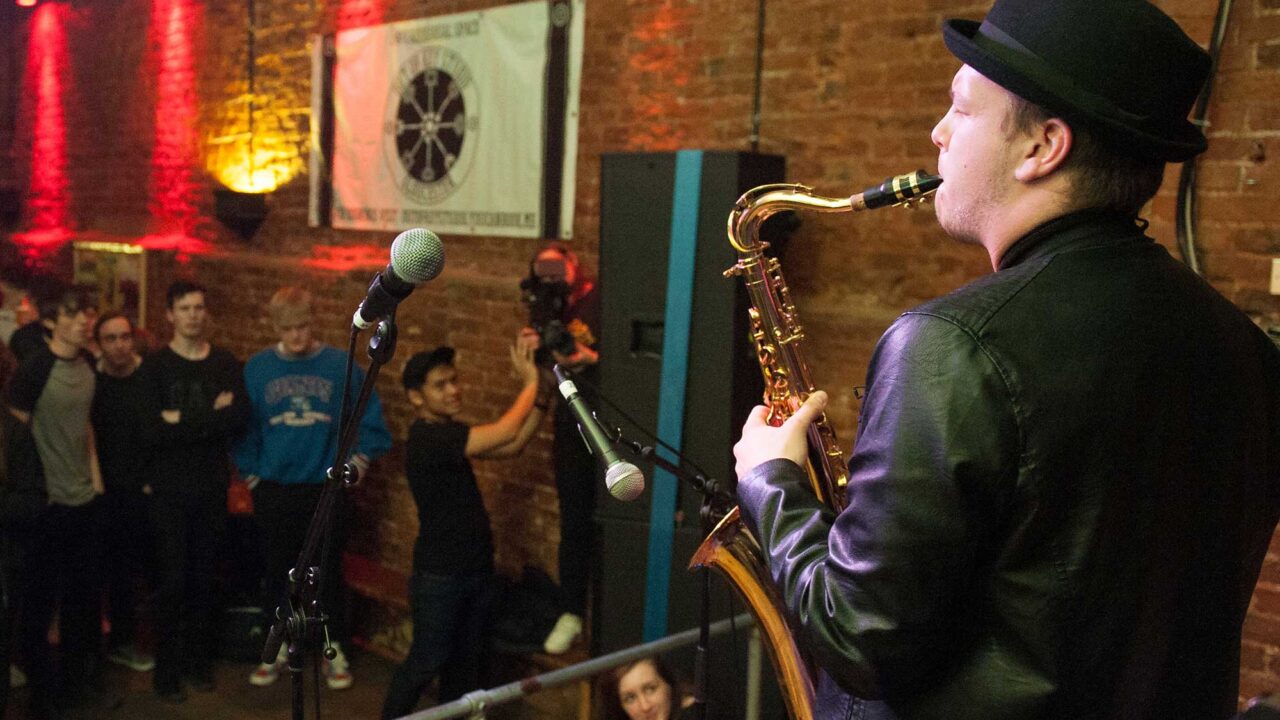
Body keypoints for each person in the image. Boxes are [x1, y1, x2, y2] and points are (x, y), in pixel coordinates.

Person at [731, 1, 1280, 718]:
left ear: (1042, 147)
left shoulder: (953, 344)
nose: (938, 133)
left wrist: (771, 479)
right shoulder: (1248, 348)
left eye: (961, 109)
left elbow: (859, 637)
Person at [381, 339, 549, 719]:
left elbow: (513, 446)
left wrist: (541, 401)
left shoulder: (451, 435)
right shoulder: (428, 438)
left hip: (475, 568)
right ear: (416, 397)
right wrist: (530, 382)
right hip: (440, 577)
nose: (454, 390)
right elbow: (506, 430)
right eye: (441, 385)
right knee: (426, 663)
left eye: (454, 381)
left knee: (467, 665)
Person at [236, 286, 391, 690]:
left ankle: (331, 646)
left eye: (303, 326)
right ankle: (278, 646)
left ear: (313, 322)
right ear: (276, 328)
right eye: (288, 329)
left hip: (324, 489)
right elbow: (243, 428)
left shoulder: (341, 366)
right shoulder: (258, 368)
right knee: (276, 572)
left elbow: (368, 418)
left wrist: (357, 462)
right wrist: (252, 475)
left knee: (326, 574)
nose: (297, 336)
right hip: (275, 487)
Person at [139, 280, 250, 703]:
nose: (193, 314)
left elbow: (238, 418)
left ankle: (197, 664)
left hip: (210, 488)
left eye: (199, 307)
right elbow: (151, 430)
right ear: (170, 315)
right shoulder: (154, 367)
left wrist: (179, 420)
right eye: (185, 307)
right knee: (172, 581)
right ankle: (166, 672)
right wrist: (209, 415)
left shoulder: (224, 363)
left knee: (204, 579)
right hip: (168, 492)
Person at [4, 283, 105, 719]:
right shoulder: (34, 370)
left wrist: (96, 482)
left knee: (83, 602)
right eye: (73, 312)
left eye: (87, 311)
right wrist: (30, 495)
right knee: (39, 606)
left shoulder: (87, 365)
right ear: (50, 321)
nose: (85, 320)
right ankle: (41, 698)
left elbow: (84, 427)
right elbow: (13, 440)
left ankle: (74, 688)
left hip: (83, 501)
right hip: (47, 507)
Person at [522, 242, 601, 655]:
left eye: (558, 268)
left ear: (575, 265)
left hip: (606, 422)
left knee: (612, 519)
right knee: (573, 521)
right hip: (569, 425)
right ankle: (571, 611)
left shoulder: (599, 301)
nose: (552, 277)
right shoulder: (545, 307)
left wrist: (588, 357)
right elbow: (542, 366)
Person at [90, 312, 156, 674]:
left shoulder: (148, 377)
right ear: (100, 344)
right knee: (113, 573)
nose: (119, 344)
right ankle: (118, 643)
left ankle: (138, 639)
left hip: (144, 491)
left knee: (143, 571)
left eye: (124, 336)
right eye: (111, 338)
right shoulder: (92, 381)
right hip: (103, 493)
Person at [598, 656, 695, 720]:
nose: (645, 706)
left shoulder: (699, 713)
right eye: (630, 699)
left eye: (650, 690)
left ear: (668, 684)